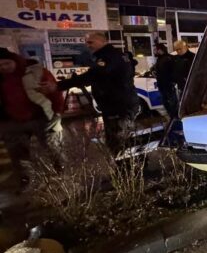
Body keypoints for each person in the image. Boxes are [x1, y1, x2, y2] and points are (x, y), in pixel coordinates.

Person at [39, 32, 139, 154]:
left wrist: (58, 86)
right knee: (123, 141)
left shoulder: (108, 57)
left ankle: (128, 171)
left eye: (91, 42)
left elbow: (92, 76)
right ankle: (130, 168)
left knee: (118, 144)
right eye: (87, 42)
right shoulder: (115, 55)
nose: (88, 45)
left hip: (117, 107)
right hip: (120, 104)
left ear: (102, 41)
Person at [0, 48, 64, 185]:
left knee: (53, 148)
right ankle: (26, 181)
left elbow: (54, 90)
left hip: (41, 117)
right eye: (0, 65)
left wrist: (58, 111)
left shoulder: (35, 71)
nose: (4, 67)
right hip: (11, 121)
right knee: (18, 154)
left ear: (14, 60)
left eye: (7, 63)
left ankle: (62, 174)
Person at [153, 43, 178, 119]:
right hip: (163, 85)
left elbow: (173, 71)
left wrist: (172, 81)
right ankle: (172, 118)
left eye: (155, 50)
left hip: (168, 86)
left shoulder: (169, 58)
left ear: (160, 50)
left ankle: (176, 119)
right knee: (166, 103)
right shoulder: (160, 59)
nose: (154, 51)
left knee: (172, 103)